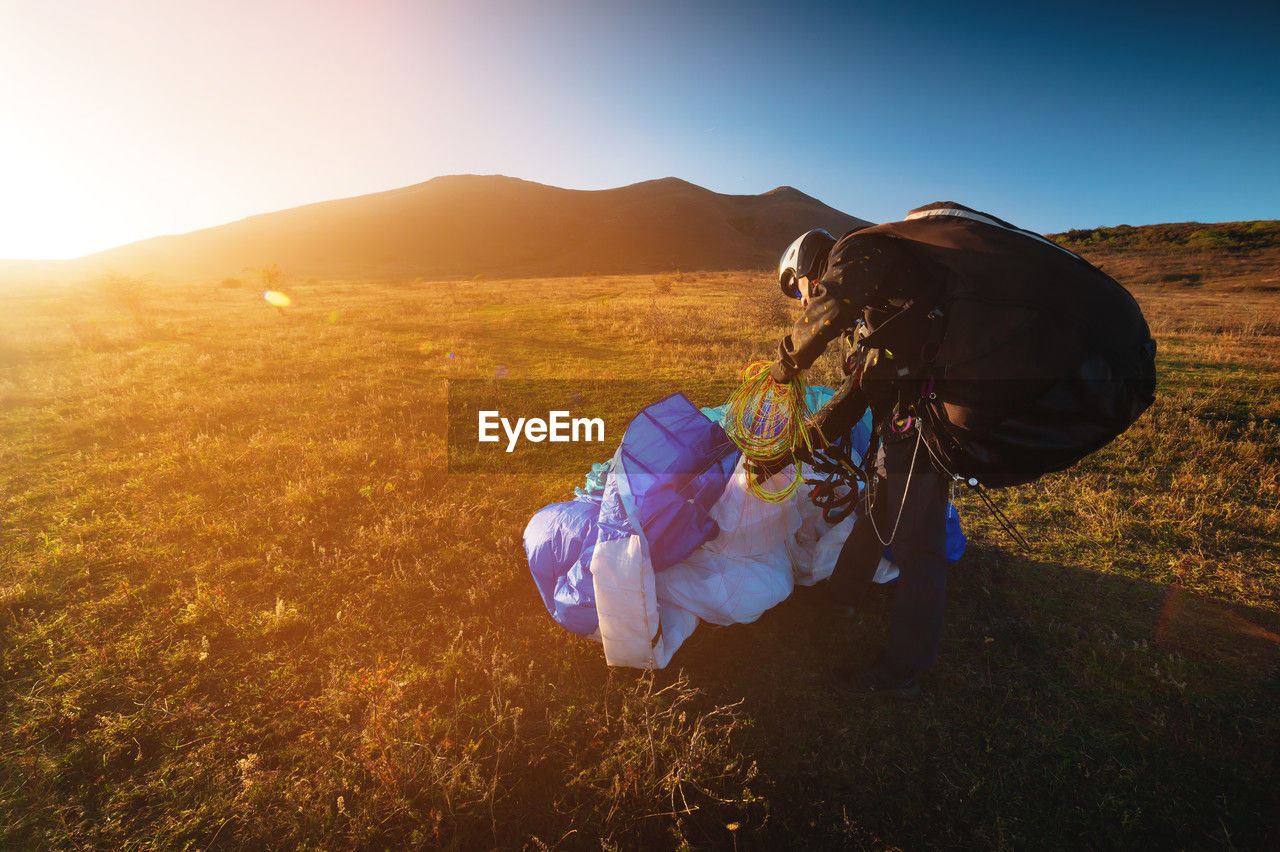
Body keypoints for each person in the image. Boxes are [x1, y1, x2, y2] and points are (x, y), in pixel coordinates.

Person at [759, 216, 958, 698]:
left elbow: (830, 303)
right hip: (903, 427)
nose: (805, 302)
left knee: (919, 547)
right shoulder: (878, 317)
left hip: (925, 427)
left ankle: (903, 670)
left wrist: (785, 363)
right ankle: (838, 601)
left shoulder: (856, 252)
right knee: (874, 513)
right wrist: (783, 455)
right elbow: (849, 400)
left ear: (809, 270)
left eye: (801, 291)